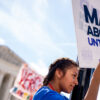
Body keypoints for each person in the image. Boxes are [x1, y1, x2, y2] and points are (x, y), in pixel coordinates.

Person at [33, 57, 100, 100]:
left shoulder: (59, 96)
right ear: (59, 73)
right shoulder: (47, 95)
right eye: (74, 76)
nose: (76, 82)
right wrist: (96, 78)